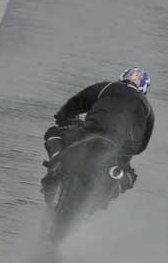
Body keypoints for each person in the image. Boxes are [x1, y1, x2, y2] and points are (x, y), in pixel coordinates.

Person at [41, 67, 154, 201]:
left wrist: (62, 117)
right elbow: (142, 145)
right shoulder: (148, 109)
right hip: (119, 146)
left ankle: (55, 164)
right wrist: (126, 151)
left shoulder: (108, 87)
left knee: (54, 133)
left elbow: (78, 101)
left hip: (92, 131)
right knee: (127, 177)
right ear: (144, 89)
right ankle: (105, 196)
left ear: (123, 78)